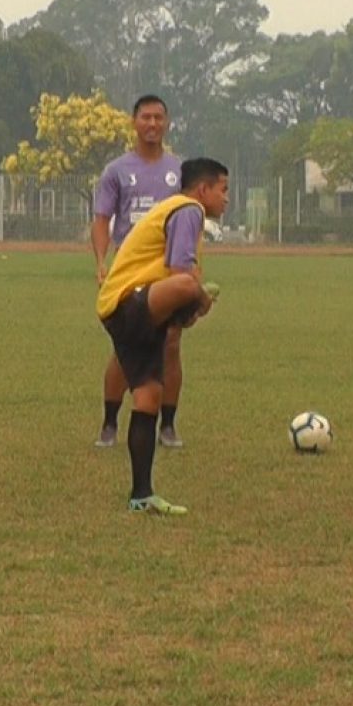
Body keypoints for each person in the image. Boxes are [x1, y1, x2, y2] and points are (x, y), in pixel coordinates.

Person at [96, 157, 229, 515]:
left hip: (122, 309)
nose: (226, 198)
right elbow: (179, 274)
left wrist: (187, 311)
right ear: (203, 190)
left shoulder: (180, 211)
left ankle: (141, 495)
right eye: (223, 189)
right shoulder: (188, 209)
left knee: (148, 397)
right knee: (189, 284)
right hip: (128, 300)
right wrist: (198, 299)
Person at [91, 94, 186, 449]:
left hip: (168, 271)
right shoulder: (117, 171)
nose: (152, 124)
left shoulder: (179, 171)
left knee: (171, 344)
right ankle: (110, 422)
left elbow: (189, 220)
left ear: (167, 123)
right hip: (130, 274)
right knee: (126, 347)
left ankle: (168, 426)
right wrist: (102, 262)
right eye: (145, 117)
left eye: (158, 117)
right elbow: (101, 221)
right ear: (134, 122)